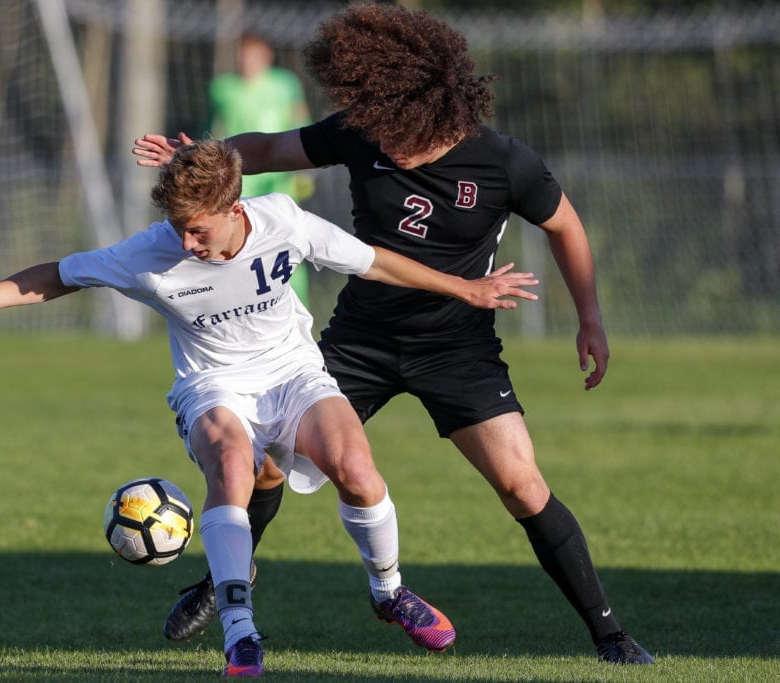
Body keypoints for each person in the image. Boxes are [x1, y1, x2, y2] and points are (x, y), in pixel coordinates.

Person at [133, 3, 655, 666]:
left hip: (458, 348)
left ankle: (609, 633)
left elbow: (566, 227)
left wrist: (590, 318)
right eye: (376, 127)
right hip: (361, 339)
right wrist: (199, 161)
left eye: (397, 131)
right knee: (261, 460)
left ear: (434, 111)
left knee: (523, 484)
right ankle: (222, 584)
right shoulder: (364, 131)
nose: (387, 144)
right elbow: (266, 148)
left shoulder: (503, 162)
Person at [0, 139, 540, 677]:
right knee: (233, 466)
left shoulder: (283, 222)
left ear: (235, 209)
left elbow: (374, 262)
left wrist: (465, 286)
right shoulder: (151, 252)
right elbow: (57, 275)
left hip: (294, 373)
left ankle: (389, 592)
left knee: (357, 468)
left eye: (200, 229)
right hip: (213, 384)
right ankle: (240, 630)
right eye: (179, 227)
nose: (187, 242)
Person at [208, 31, 314, 306]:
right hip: (239, 177)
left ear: (267, 56)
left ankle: (295, 301)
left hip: (279, 175)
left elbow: (300, 118)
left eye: (254, 55)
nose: (248, 61)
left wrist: (305, 169)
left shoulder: (285, 85)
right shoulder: (223, 88)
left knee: (287, 237)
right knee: (239, 243)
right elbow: (217, 128)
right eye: (243, 55)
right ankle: (243, 303)